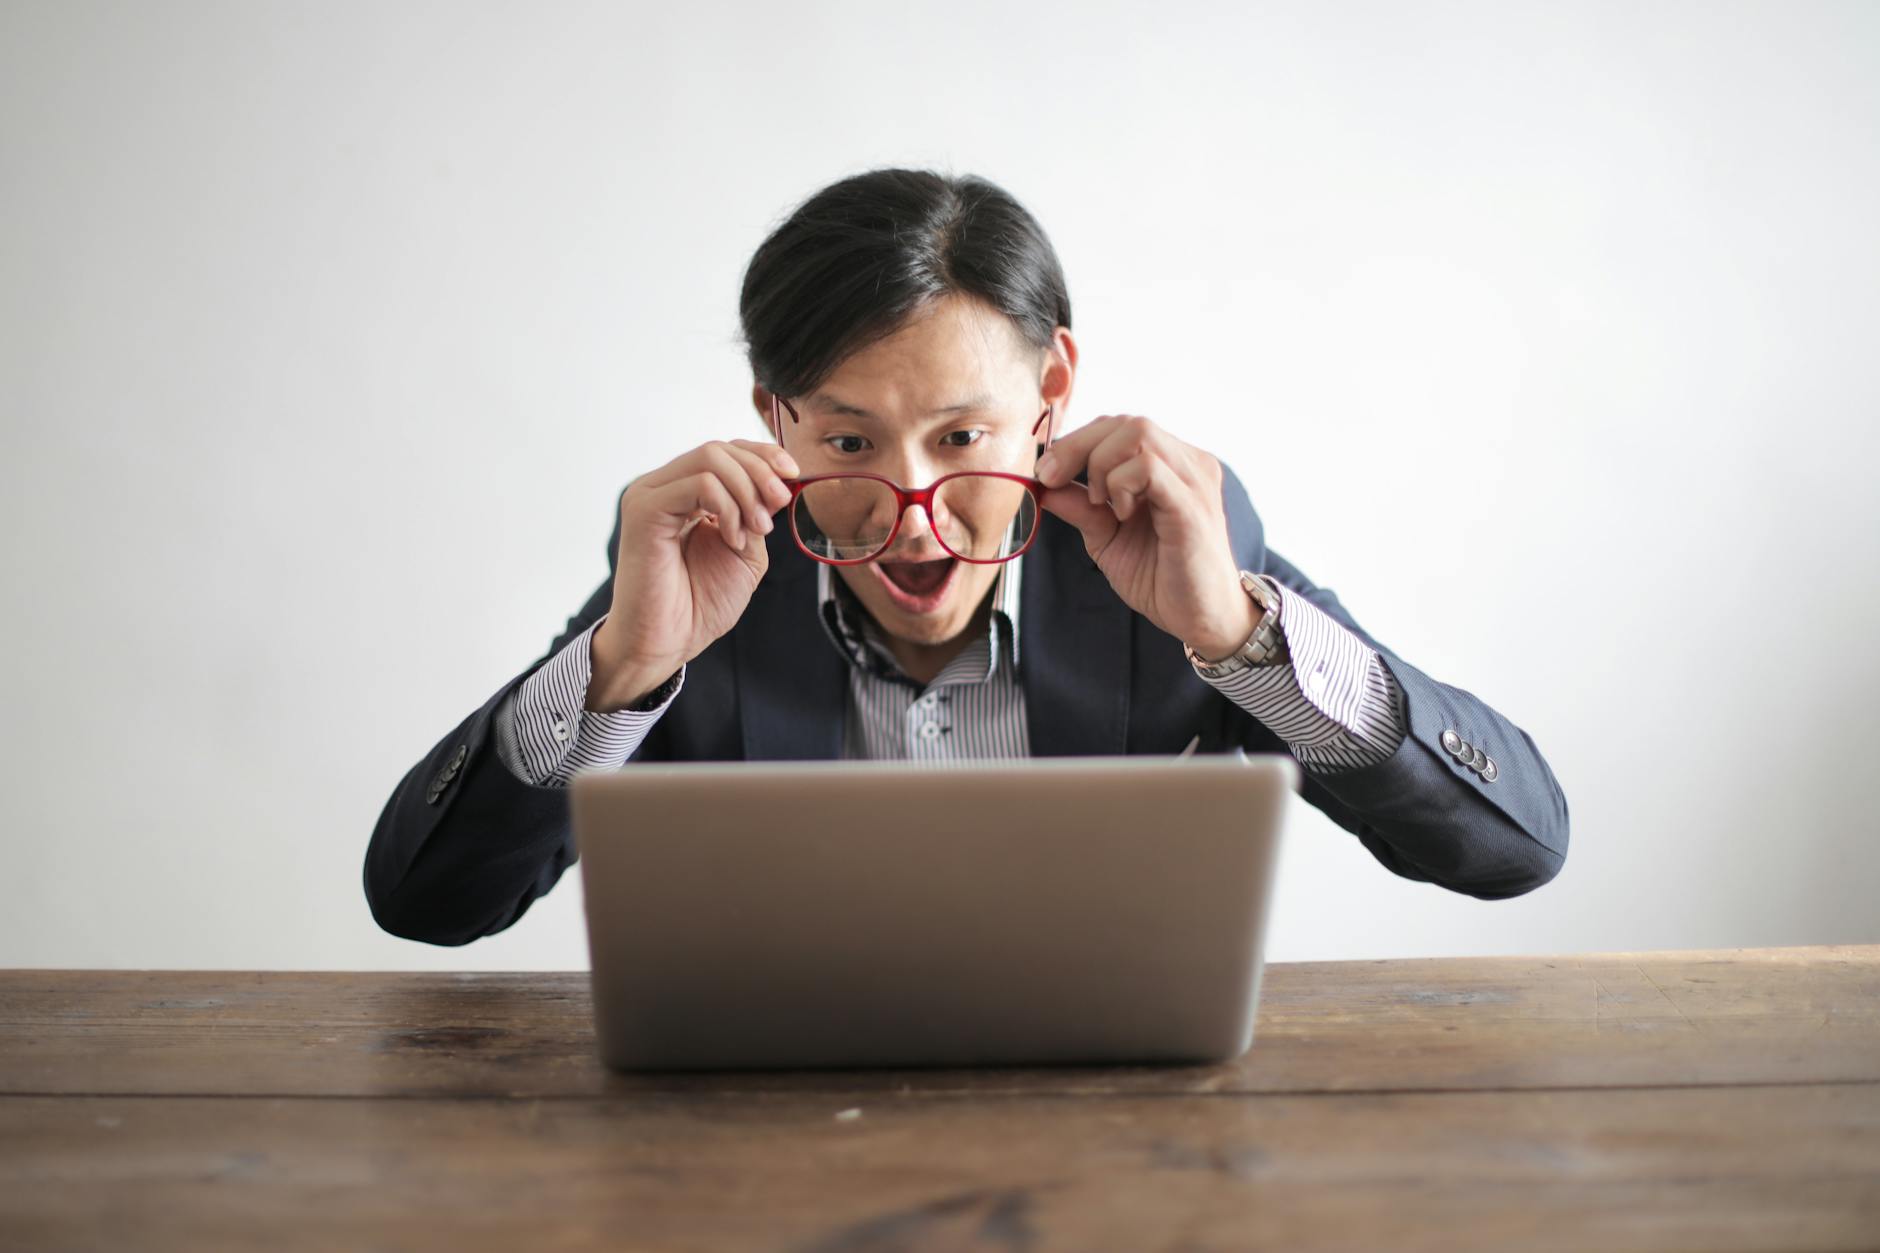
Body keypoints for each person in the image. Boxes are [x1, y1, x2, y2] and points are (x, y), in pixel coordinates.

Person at [364, 167, 1569, 947]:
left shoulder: (1171, 548)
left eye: (960, 437)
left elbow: (1512, 848)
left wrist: (1238, 640)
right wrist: (621, 669)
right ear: (773, 418)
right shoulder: (705, 573)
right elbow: (427, 903)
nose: (913, 509)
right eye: (846, 439)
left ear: (1049, 394)